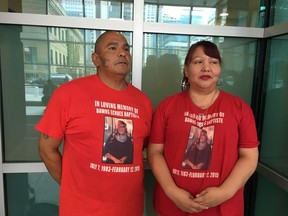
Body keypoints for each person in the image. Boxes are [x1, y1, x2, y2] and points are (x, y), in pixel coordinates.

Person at [35, 31, 153, 216]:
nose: (122, 53)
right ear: (96, 59)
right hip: (82, 209)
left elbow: (140, 146)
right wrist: (71, 186)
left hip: (129, 207)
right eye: (113, 48)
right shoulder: (68, 94)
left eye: (126, 48)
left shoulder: (143, 102)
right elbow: (46, 148)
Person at [147, 40, 259, 216]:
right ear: (185, 69)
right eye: (198, 61)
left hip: (223, 207)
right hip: (173, 204)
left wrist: (225, 192)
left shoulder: (239, 108)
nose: (207, 68)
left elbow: (249, 157)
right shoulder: (167, 106)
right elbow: (155, 152)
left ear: (219, 69)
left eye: (213, 62)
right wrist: (172, 191)